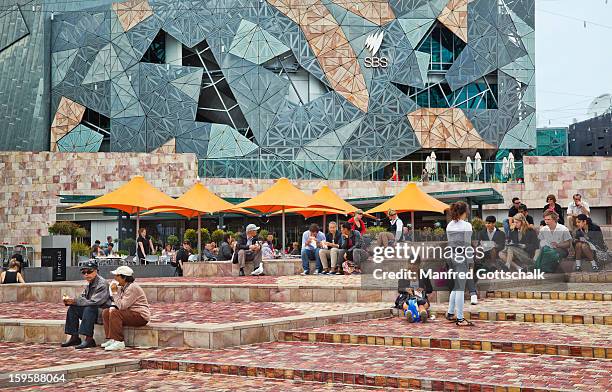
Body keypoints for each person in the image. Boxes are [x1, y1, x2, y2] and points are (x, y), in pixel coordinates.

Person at [61, 261, 111, 349]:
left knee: (89, 308)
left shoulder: (102, 284)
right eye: (84, 272)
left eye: (89, 272)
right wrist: (71, 301)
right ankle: (74, 337)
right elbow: (82, 298)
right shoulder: (90, 283)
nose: (86, 274)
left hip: (102, 312)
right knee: (73, 308)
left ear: (96, 271)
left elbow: (95, 302)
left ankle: (89, 339)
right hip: (92, 310)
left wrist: (76, 301)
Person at [101, 266, 150, 351]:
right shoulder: (123, 287)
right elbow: (117, 303)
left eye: (117, 276)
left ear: (124, 277)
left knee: (115, 313)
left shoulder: (132, 288)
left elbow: (122, 306)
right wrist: (115, 291)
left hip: (140, 316)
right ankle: (112, 339)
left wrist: (115, 292)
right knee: (106, 312)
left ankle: (119, 342)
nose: (114, 278)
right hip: (129, 313)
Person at [445, 202, 474, 327]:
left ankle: (451, 313)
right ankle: (460, 318)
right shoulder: (467, 225)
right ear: (464, 212)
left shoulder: (449, 225)